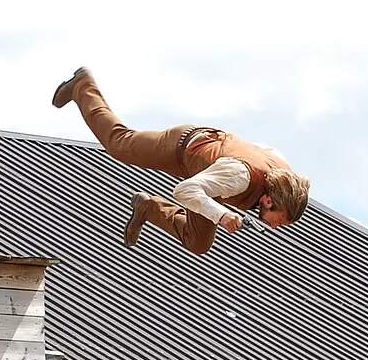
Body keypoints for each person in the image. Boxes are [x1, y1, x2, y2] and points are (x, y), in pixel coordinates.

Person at [51, 66, 310, 255]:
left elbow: (260, 148)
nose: (275, 227)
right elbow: (185, 190)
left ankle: (149, 207)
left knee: (198, 244)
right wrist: (220, 215)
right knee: (120, 145)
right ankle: (82, 86)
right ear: (268, 200)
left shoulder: (281, 169)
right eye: (279, 219)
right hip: (181, 147)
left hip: (210, 172)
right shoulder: (239, 177)